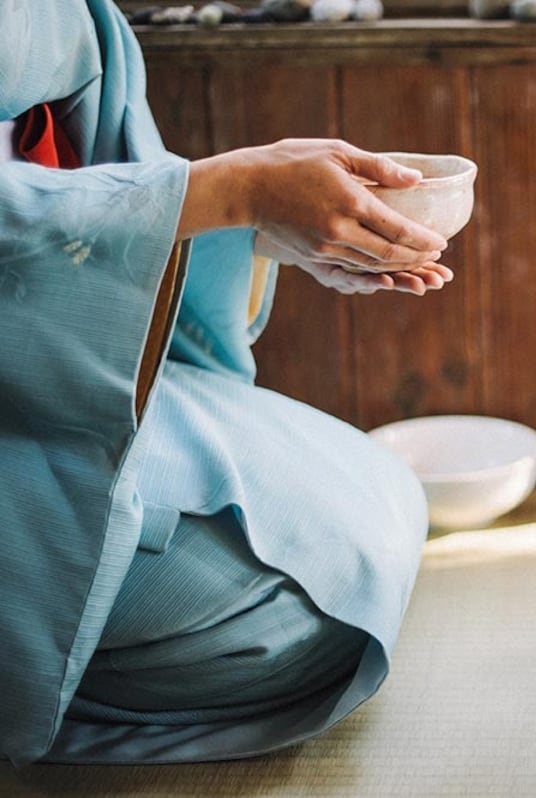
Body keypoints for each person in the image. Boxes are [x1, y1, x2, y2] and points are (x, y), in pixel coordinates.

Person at [1, 0, 454, 766]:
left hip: (77, 361)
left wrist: (248, 225)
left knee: (385, 495)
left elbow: (125, 179)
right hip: (21, 416)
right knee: (293, 618)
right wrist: (228, 191)